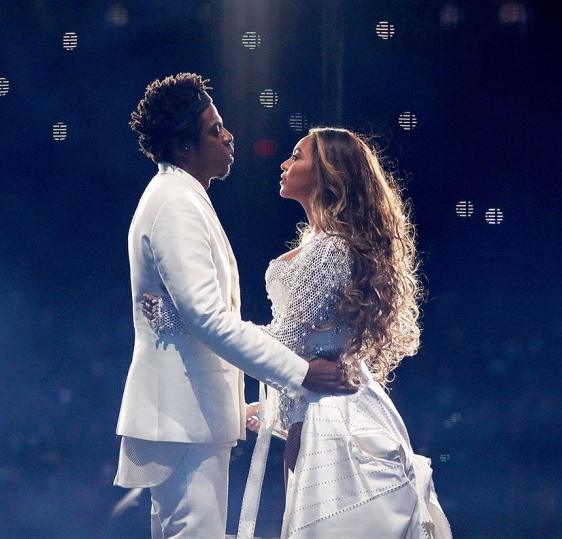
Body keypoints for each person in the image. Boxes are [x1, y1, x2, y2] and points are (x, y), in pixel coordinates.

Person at [145, 127, 451, 538]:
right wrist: (262, 409)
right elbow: (303, 351)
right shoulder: (324, 244)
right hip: (324, 412)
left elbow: (285, 342)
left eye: (297, 156)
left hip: (336, 424)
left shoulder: (331, 250)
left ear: (328, 173)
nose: (285, 164)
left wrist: (184, 317)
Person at [114, 73, 355, 539]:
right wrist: (299, 372)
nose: (228, 136)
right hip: (181, 418)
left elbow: (191, 318)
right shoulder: (175, 202)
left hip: (189, 414)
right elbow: (207, 316)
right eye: (214, 129)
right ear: (185, 147)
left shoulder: (182, 197)